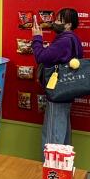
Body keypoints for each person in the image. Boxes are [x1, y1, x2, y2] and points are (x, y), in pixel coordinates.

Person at [32, 8, 83, 154]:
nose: (55, 22)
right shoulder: (73, 39)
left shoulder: (64, 40)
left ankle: (51, 170)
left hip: (57, 92)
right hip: (67, 91)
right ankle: (62, 169)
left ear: (68, 24)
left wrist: (37, 38)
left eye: (59, 20)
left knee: (53, 135)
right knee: (63, 132)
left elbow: (41, 57)